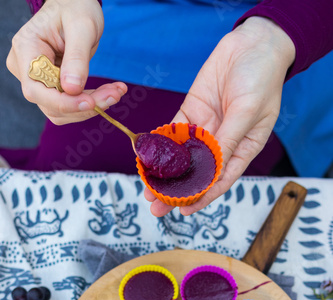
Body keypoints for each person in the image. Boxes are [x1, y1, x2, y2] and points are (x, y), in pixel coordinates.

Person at [5, 0, 333, 217]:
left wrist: (278, 35)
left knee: (233, 201)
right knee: (65, 181)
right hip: (131, 21)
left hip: (279, 29)